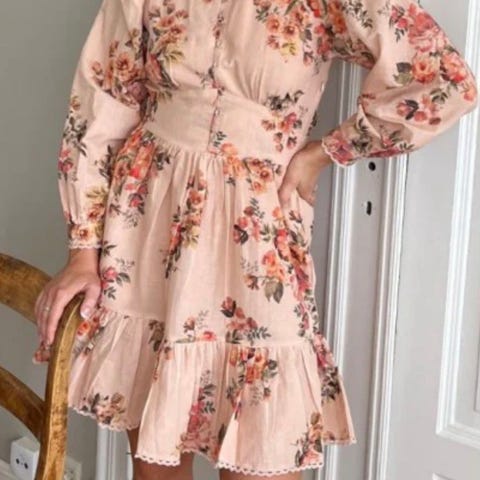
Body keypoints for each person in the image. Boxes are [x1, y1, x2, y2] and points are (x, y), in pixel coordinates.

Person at [32, 0, 477, 479]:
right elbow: (102, 98)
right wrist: (83, 250)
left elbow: (446, 82)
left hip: (260, 229)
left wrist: (326, 152)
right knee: (156, 462)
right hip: (149, 220)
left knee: (264, 449)